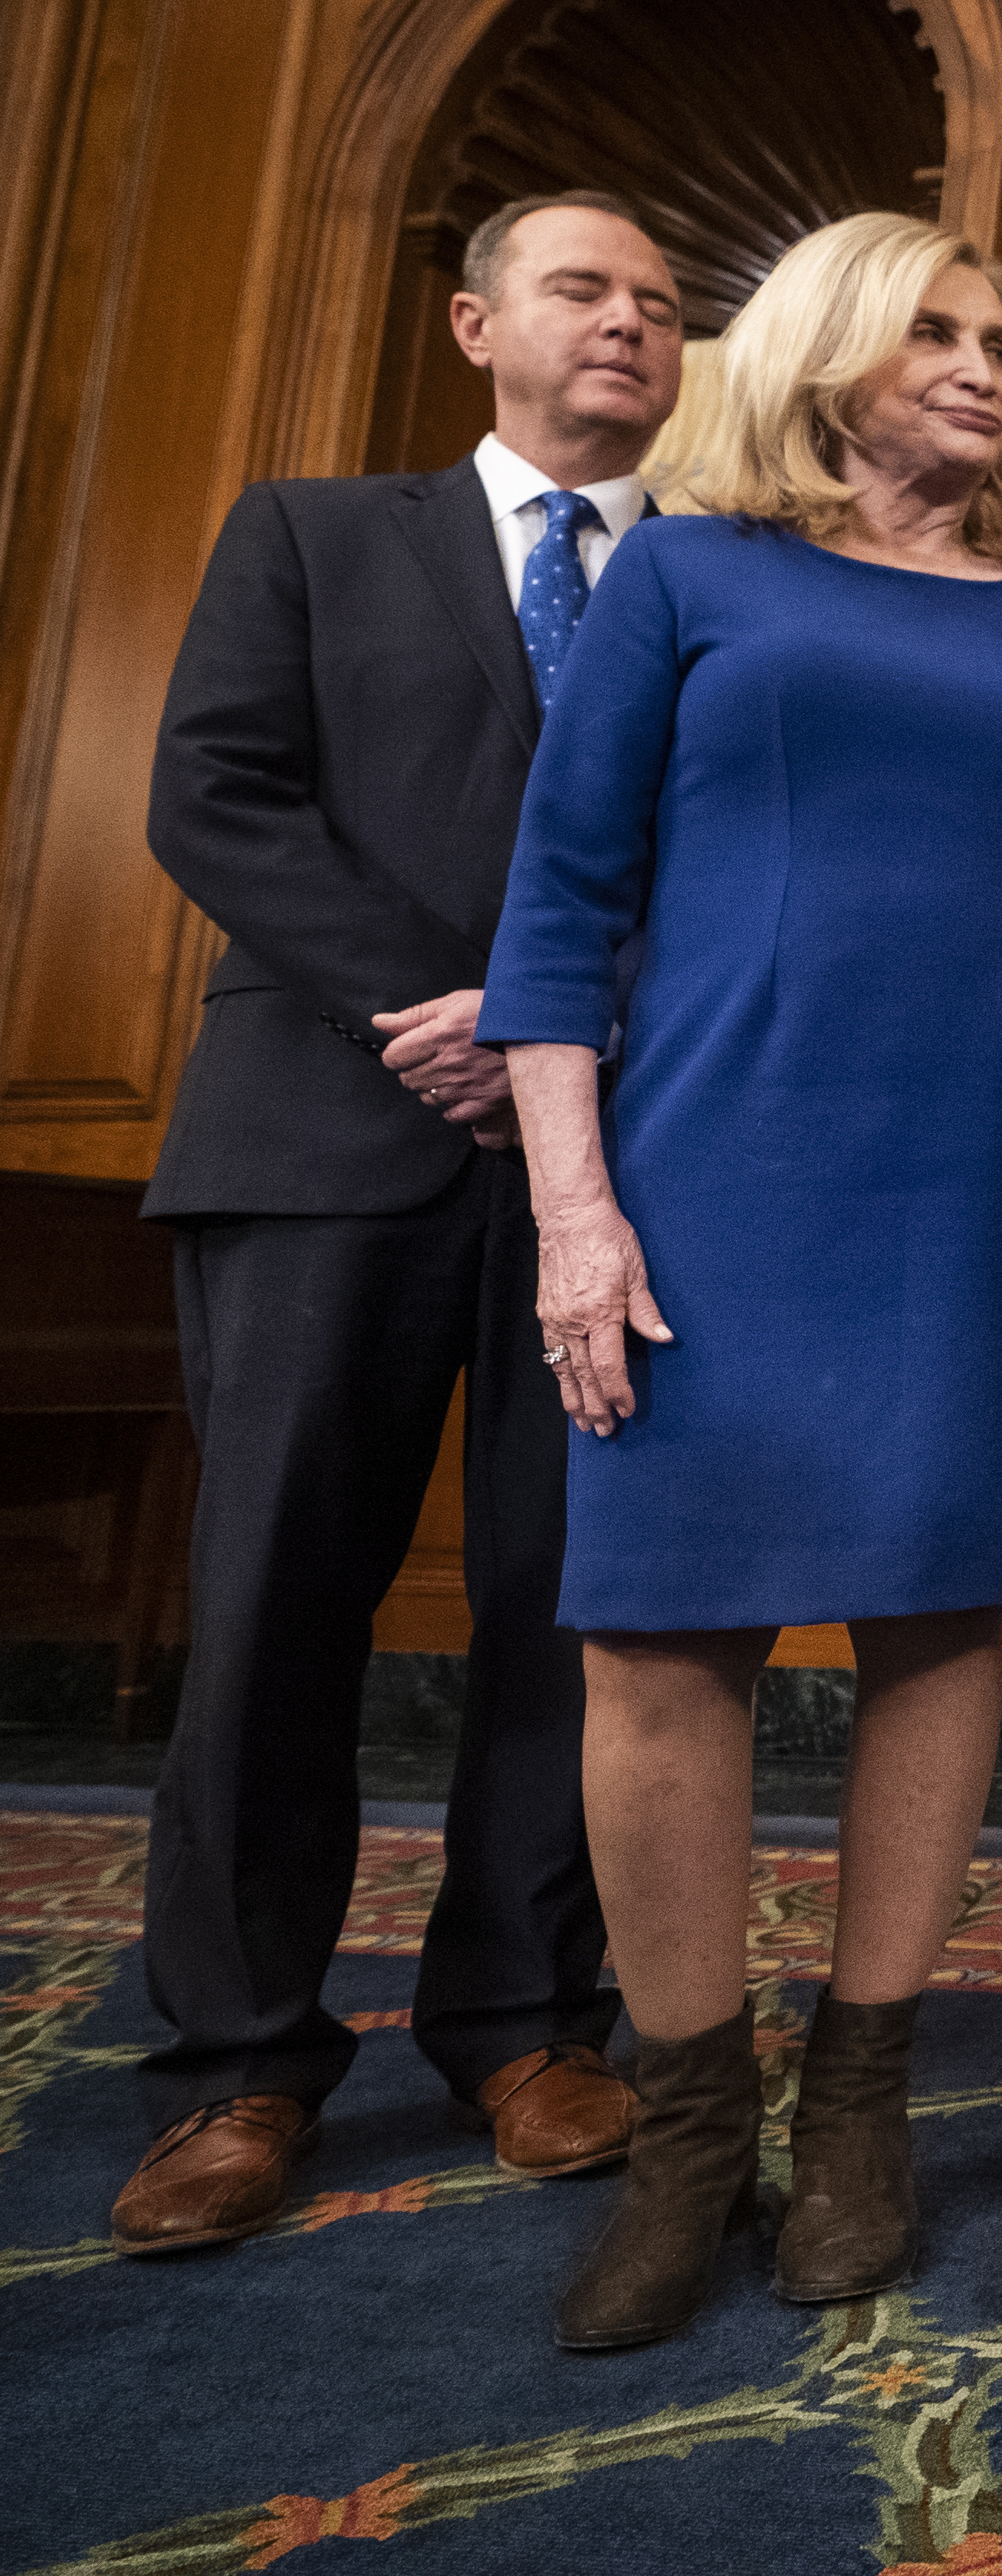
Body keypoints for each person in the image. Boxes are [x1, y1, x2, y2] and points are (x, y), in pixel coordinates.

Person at [481, 211, 1002, 2350]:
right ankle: (692, 2135)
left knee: (935, 1626)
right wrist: (575, 1215)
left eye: (997, 338)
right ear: (826, 352)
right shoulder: (686, 574)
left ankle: (861, 2101)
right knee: (656, 1648)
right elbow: (560, 910)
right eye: (932, 329)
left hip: (973, 1188)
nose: (978, 364)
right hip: (707, 1178)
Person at [114, 194, 679, 2253]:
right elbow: (217, 796)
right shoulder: (308, 535)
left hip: (606, 1175)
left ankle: (527, 2023)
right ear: (475, 325)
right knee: (270, 1608)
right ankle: (236, 2067)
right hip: (322, 1143)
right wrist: (445, 1011)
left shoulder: (709, 584)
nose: (627, 322)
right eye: (582, 289)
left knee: (564, 1608)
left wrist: (559, 1034)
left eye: (658, 303)